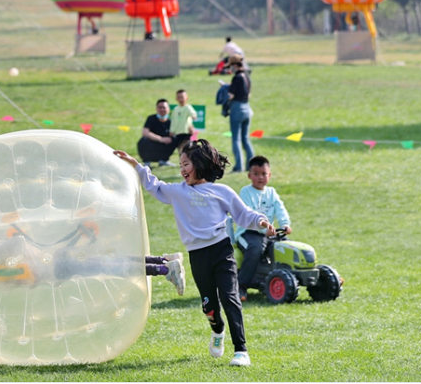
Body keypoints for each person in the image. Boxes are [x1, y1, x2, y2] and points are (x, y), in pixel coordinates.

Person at [113, 139, 275, 367]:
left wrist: (261, 221)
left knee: (230, 297)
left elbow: (244, 214)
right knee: (209, 306)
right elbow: (154, 185)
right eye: (180, 165)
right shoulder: (177, 192)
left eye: (186, 164)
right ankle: (217, 330)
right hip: (197, 256)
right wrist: (135, 165)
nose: (182, 169)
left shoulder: (222, 191)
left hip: (221, 250)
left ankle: (241, 351)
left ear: (200, 163)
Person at [0, 225, 186, 295]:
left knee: (109, 266)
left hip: (57, 266)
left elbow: (18, 245)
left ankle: (165, 270)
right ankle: (164, 260)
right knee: (107, 261)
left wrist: (21, 267)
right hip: (57, 262)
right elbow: (21, 276)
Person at [234, 155, 291, 302]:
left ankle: (285, 278)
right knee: (255, 248)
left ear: (269, 175)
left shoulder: (271, 192)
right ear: (249, 175)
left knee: (285, 246)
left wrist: (285, 224)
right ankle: (241, 285)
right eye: (256, 174)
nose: (260, 177)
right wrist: (263, 230)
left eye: (264, 174)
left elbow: (280, 208)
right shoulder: (246, 192)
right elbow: (250, 214)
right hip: (248, 233)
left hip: (268, 233)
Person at [226, 54, 254, 172]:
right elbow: (248, 94)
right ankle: (251, 165)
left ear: (234, 65)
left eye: (230, 66)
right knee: (245, 139)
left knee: (236, 139)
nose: (230, 69)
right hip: (247, 108)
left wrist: (225, 89)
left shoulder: (237, 77)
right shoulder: (247, 76)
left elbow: (231, 95)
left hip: (237, 109)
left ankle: (239, 166)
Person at [137, 98, 177, 168]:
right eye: (160, 107)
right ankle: (147, 162)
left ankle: (164, 160)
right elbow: (145, 132)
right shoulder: (151, 119)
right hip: (152, 146)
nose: (162, 109)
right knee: (143, 140)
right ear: (156, 108)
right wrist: (160, 139)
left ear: (168, 109)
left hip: (164, 148)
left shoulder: (172, 121)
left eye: (164, 107)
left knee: (175, 140)